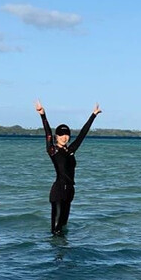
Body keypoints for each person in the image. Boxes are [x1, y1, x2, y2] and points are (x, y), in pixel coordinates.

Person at [34, 99, 102, 235]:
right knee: (56, 230)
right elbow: (47, 133)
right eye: (61, 135)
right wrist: (43, 115)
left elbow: (82, 135)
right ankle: (54, 254)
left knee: (63, 228)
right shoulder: (53, 151)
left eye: (67, 135)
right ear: (56, 136)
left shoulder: (70, 151)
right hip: (58, 191)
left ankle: (63, 254)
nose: (64, 137)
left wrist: (93, 115)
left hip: (69, 191)